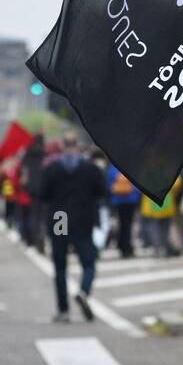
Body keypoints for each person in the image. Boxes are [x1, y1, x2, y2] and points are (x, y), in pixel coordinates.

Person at [39, 132, 108, 323]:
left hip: (61, 218)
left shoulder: (52, 168)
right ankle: (84, 291)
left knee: (60, 265)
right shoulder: (90, 168)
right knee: (89, 261)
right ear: (77, 146)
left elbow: (43, 194)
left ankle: (63, 310)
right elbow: (102, 192)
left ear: (62, 146)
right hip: (82, 218)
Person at [105, 163, 140, 258]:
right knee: (128, 224)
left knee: (122, 223)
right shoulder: (131, 166)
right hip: (131, 198)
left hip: (118, 199)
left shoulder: (112, 168)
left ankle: (122, 245)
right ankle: (126, 247)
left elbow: (108, 185)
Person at [140, 177, 181, 257]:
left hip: (151, 203)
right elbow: (177, 183)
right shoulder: (168, 170)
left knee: (154, 227)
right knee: (165, 228)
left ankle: (157, 249)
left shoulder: (146, 170)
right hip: (166, 202)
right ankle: (164, 248)